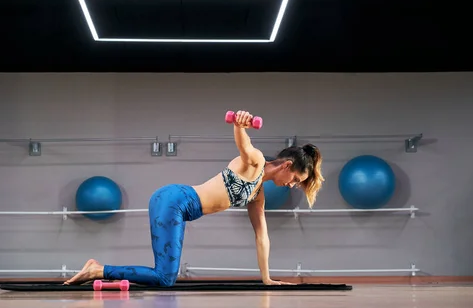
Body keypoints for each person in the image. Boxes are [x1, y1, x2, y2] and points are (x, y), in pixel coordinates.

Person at [64, 110, 324, 286]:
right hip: (175, 200)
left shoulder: (258, 193)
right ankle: (97, 270)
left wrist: (266, 278)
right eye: (296, 180)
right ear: (287, 165)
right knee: (165, 278)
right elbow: (245, 146)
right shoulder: (256, 163)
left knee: (164, 275)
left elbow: (262, 236)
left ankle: (98, 269)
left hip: (176, 204)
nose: (292, 186)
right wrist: (239, 125)